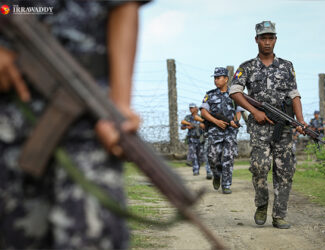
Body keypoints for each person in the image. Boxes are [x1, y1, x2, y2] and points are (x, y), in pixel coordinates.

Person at [0, 1, 149, 249]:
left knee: (94, 235)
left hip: (92, 117)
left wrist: (119, 105)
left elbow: (124, 5)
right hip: (12, 112)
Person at [230, 21, 307, 229]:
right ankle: (262, 204)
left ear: (275, 39)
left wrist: (300, 121)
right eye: (263, 38)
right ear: (256, 39)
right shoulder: (247, 67)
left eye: (270, 38)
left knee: (285, 170)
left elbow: (294, 95)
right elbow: (234, 91)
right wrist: (254, 111)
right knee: (259, 167)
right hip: (259, 127)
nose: (267, 42)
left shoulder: (286, 66)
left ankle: (279, 215)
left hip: (284, 125)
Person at [200, 67, 241, 194]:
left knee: (228, 157)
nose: (216, 80)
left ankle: (226, 184)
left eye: (218, 78)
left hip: (230, 132)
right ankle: (217, 175)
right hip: (214, 131)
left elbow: (239, 111)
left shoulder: (234, 95)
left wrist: (235, 121)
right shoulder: (210, 95)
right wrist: (216, 121)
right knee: (213, 157)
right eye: (215, 78)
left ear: (226, 79)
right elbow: (203, 112)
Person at [181, 103, 205, 176]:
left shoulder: (201, 117)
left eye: (192, 108)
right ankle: (195, 169)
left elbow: (205, 126)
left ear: (196, 109)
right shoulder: (188, 117)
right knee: (193, 155)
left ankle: (198, 167)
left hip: (200, 139)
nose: (191, 109)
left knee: (200, 155)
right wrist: (187, 126)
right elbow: (182, 126)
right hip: (192, 139)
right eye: (190, 108)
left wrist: (200, 125)